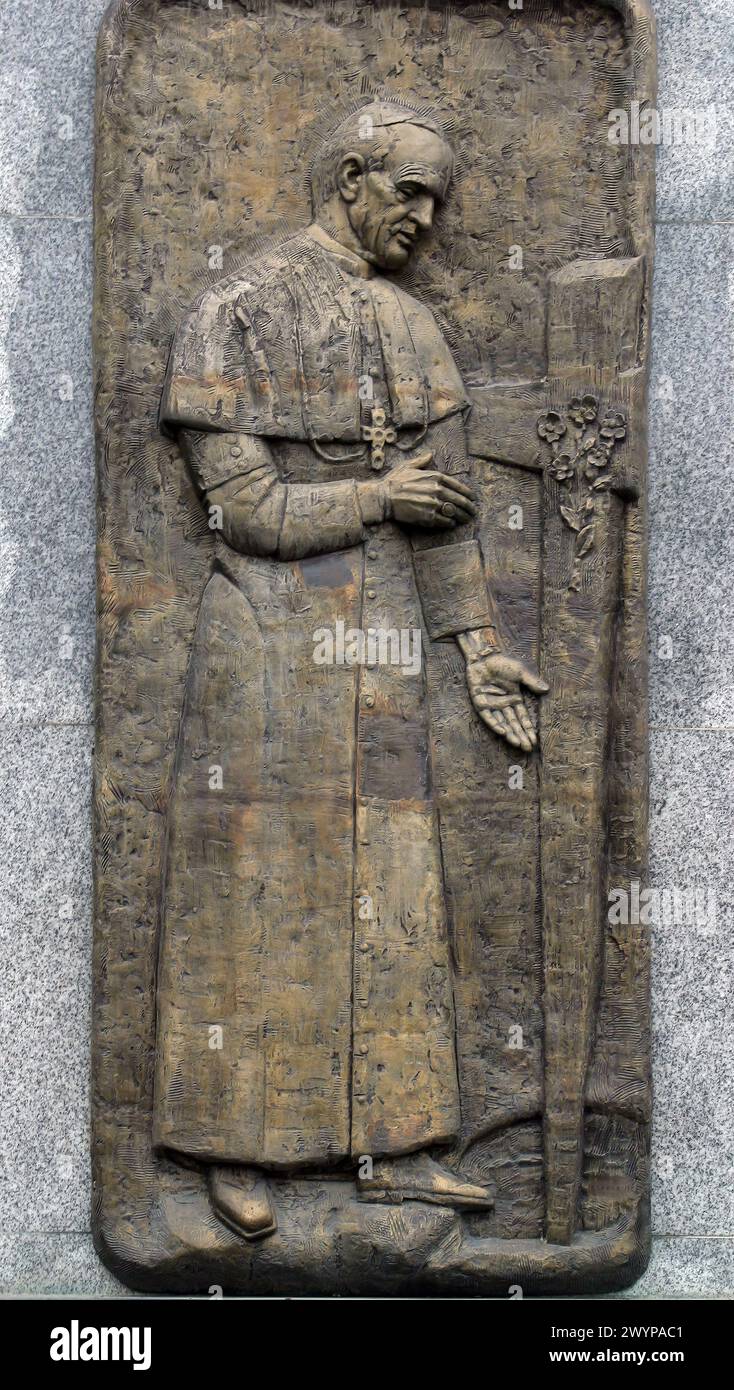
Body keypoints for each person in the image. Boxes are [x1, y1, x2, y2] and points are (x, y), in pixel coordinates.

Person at [155, 100, 547, 1240]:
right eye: (409, 193)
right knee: (261, 889)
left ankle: (396, 1141)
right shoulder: (234, 312)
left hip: (380, 643)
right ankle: (238, 1143)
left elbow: (449, 516)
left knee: (393, 880)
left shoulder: (415, 328)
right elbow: (239, 510)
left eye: (438, 201)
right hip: (267, 643)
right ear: (348, 180)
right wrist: (377, 495)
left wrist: (476, 652)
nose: (425, 220)